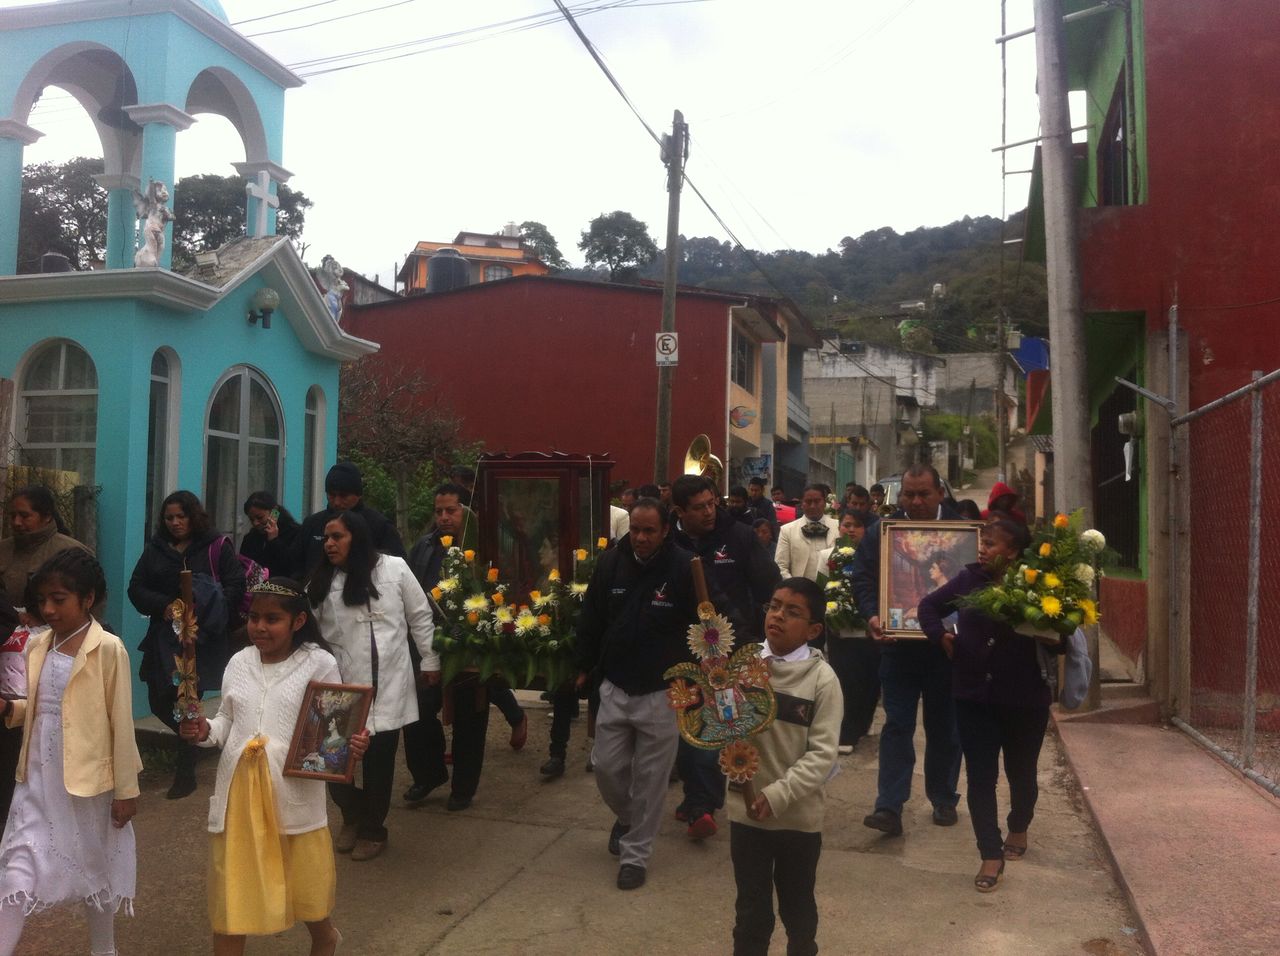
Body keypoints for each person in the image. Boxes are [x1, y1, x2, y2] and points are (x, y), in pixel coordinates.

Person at [181, 579, 367, 954]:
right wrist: (204, 730)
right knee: (232, 896)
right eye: (253, 617)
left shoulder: (320, 663)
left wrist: (352, 745)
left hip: (293, 794)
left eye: (272, 619)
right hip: (238, 798)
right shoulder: (238, 662)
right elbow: (225, 726)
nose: (260, 627)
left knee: (305, 889)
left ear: (298, 621)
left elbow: (336, 726)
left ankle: (324, 936)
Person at [0, 549, 141, 956]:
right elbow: (41, 708)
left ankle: (104, 949)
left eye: (58, 599)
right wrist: (11, 709)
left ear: (88, 598)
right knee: (17, 868)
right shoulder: (37, 645)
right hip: (37, 778)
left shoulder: (108, 649)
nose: (48, 608)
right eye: (43, 600)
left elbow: (120, 724)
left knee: (94, 870)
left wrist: (126, 791)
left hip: (87, 784)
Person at [574, 498, 703, 890]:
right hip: (615, 684)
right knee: (607, 768)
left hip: (663, 692)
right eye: (635, 530)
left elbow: (707, 624)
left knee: (650, 779)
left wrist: (703, 676)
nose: (641, 538)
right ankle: (629, 818)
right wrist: (581, 665)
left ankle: (635, 856)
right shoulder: (611, 562)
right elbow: (593, 616)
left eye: (649, 531)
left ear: (666, 530)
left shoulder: (686, 568)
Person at [918, 517, 1051, 893]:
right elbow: (928, 605)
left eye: (991, 544)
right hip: (973, 696)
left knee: (1022, 773)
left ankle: (1020, 825)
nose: (982, 548)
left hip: (1025, 699)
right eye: (982, 541)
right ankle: (989, 853)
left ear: (1012, 552)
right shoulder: (969, 579)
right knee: (980, 777)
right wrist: (940, 635)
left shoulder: (1039, 585)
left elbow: (1058, 638)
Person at [308, 510, 438, 860]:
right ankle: (352, 814)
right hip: (340, 688)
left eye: (338, 537)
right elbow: (307, 629)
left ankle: (373, 829)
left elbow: (420, 616)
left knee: (378, 764)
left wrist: (430, 660)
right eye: (327, 538)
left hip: (388, 685)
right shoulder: (323, 580)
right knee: (332, 765)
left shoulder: (394, 569)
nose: (330, 544)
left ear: (358, 538)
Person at [729, 577, 841, 956]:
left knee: (797, 908)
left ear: (813, 630)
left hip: (796, 819)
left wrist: (777, 795)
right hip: (746, 815)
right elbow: (725, 732)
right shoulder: (743, 666)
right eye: (774, 606)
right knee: (750, 911)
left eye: (792, 612)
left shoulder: (821, 680)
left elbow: (822, 755)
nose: (778, 615)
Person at [852, 464, 962, 837]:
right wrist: (871, 615)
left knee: (945, 728)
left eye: (923, 494)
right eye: (908, 495)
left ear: (940, 495)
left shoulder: (963, 532)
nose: (914, 501)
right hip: (898, 646)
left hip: (947, 650)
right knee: (897, 726)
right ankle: (889, 807)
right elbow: (863, 578)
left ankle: (944, 797)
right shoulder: (883, 534)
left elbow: (980, 583)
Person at [670, 475, 780, 840]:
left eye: (711, 503)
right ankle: (694, 796)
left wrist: (754, 638)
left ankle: (703, 805)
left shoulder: (740, 536)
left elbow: (769, 585)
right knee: (685, 731)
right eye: (699, 507)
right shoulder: (669, 541)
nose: (708, 512)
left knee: (713, 728)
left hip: (729, 652)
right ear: (679, 512)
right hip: (679, 651)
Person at [403, 484, 523, 809]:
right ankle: (428, 774)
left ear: (466, 511)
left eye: (451, 510)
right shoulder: (425, 546)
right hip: (429, 643)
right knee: (416, 712)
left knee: (471, 716)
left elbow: (509, 585)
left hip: (473, 645)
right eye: (439, 511)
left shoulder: (487, 545)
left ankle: (463, 788)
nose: (444, 517)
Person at [129, 490, 245, 800]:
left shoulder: (215, 546)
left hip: (199, 641)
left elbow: (235, 585)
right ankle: (199, 735)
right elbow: (136, 587)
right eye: (169, 517)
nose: (176, 522)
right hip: (162, 638)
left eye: (181, 516)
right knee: (158, 700)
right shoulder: (156, 549)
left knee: (186, 702)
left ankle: (185, 773)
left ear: (194, 516)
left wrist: (206, 614)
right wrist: (165, 605)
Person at [0, 487, 90, 819]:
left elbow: (86, 611)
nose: (17, 522)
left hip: (50, 659)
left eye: (25, 515)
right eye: (12, 515)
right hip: (7, 664)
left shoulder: (70, 553)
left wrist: (42, 619)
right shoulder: (3, 551)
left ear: (47, 516)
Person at [815, 506, 878, 753]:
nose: (850, 530)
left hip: (868, 629)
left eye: (856, 525)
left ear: (866, 529)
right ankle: (848, 731)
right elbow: (820, 588)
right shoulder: (826, 556)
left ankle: (863, 721)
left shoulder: (873, 555)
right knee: (844, 681)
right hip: (839, 629)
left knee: (869, 682)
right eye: (845, 525)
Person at [295, 462, 405, 576]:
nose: (337, 502)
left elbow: (397, 570)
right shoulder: (312, 524)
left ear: (358, 495)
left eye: (344, 496)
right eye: (332, 495)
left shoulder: (380, 526)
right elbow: (294, 566)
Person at [774, 485, 839, 581]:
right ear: (801, 504)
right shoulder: (787, 530)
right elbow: (780, 566)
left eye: (817, 501)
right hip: (800, 591)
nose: (812, 506)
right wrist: (795, 588)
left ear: (825, 503)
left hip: (834, 591)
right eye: (808, 502)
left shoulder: (839, 527)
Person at [239, 491, 301, 579]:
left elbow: (293, 566)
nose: (256, 523)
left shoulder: (294, 533)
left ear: (274, 512)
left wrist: (274, 541)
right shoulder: (250, 538)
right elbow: (244, 566)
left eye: (260, 517)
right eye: (251, 520)